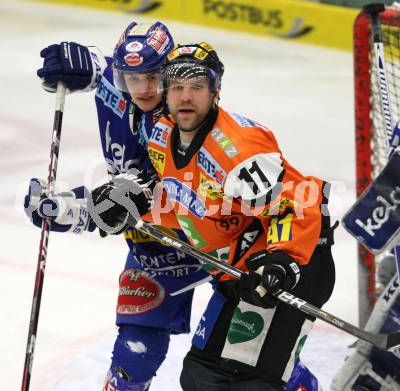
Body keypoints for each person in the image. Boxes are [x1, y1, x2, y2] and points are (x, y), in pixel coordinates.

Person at [88, 42, 336, 390]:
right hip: (238, 274)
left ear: (215, 91)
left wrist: (281, 262)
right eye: (177, 87)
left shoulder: (239, 151)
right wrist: (135, 203)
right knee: (200, 376)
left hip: (294, 267)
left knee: (244, 383)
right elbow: (192, 202)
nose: (185, 97)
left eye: (197, 87)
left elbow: (297, 205)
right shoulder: (161, 135)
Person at [24, 22, 210, 391]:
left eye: (152, 77)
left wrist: (74, 209)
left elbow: (142, 199)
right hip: (156, 247)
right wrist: (82, 61)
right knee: (132, 355)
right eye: (131, 78)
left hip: (218, 240)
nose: (141, 88)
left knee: (240, 370)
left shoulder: (184, 119)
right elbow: (106, 68)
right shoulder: (122, 79)